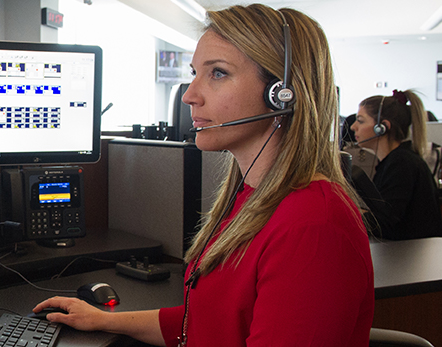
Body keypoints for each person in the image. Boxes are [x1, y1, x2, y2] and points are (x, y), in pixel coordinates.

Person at [33, 5, 373, 346]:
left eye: (218, 73)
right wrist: (105, 320)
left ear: (282, 94)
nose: (189, 95)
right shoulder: (250, 197)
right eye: (195, 72)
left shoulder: (313, 226)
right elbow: (202, 322)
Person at [349, 90, 442, 240]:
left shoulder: (402, 164)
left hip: (410, 256)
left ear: (382, 127)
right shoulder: (393, 161)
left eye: (360, 121)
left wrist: (346, 213)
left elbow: (384, 224)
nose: (353, 127)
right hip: (403, 252)